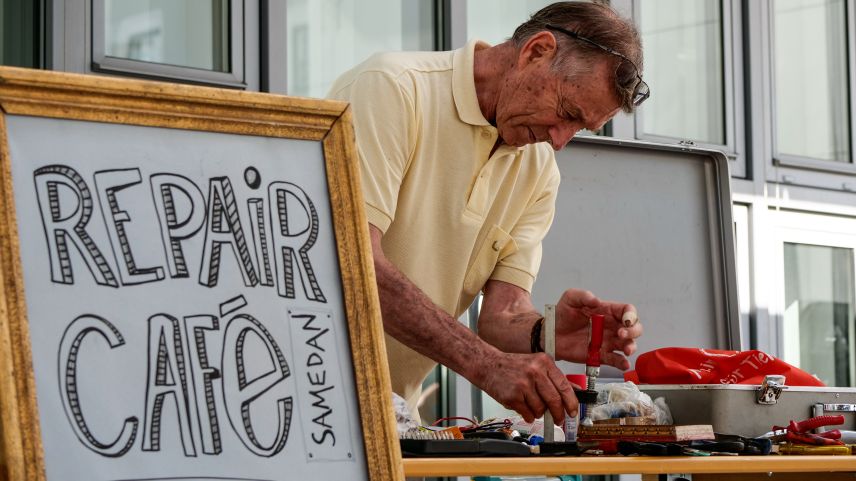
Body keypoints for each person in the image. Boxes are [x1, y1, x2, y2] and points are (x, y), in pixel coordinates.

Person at [328, 1, 648, 425]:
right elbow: (354, 262)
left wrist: (545, 332)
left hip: (387, 422)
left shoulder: (538, 171)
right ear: (536, 50)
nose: (559, 141)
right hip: (300, 396)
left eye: (580, 128)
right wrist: (486, 365)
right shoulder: (392, 88)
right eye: (567, 114)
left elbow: (502, 316)